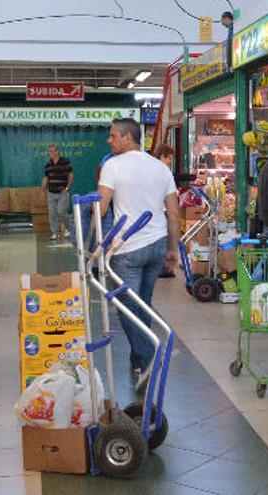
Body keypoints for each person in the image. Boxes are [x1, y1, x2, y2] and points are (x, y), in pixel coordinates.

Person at [98, 118, 179, 392]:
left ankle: (148, 358)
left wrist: (97, 242)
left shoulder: (112, 165)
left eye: (112, 136)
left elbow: (100, 208)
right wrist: (172, 247)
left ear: (126, 137)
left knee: (126, 307)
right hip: (156, 244)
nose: (109, 141)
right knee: (143, 302)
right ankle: (138, 360)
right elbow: (173, 209)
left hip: (127, 247)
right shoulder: (160, 167)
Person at [153, 144, 177, 279]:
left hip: (155, 210)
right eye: (169, 158)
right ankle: (164, 268)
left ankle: (161, 267)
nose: (170, 162)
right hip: (162, 209)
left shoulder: (150, 168)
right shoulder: (163, 171)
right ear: (162, 157)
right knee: (165, 240)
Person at [41, 145, 73, 240]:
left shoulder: (65, 162)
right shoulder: (48, 164)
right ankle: (56, 233)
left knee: (61, 211)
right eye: (49, 151)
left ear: (57, 152)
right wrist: (42, 190)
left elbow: (71, 175)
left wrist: (67, 188)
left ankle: (68, 228)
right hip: (51, 193)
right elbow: (46, 178)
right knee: (52, 214)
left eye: (51, 151)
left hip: (62, 192)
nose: (50, 153)